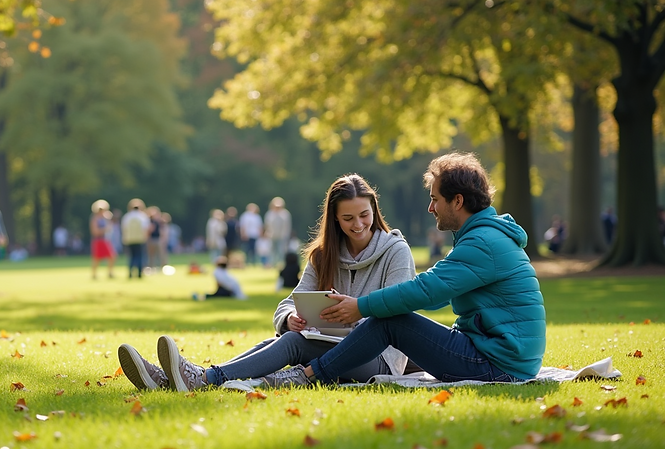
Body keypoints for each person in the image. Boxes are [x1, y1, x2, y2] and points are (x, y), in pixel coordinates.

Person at [195, 152, 544, 389]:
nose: (430, 207)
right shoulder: (481, 239)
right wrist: (292, 317)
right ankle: (205, 375)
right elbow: (436, 297)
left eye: (435, 199)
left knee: (390, 319)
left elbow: (426, 292)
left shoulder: (483, 243)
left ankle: (304, 375)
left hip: (499, 364)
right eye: (348, 218)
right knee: (287, 339)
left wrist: (359, 307)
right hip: (490, 352)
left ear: (458, 201)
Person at [117, 173, 417, 390]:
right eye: (348, 218)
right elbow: (291, 301)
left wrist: (354, 313)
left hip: (378, 357)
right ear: (335, 220)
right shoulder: (323, 255)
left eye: (364, 215)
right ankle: (175, 380)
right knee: (279, 339)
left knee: (294, 343)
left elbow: (396, 312)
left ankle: (203, 378)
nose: (358, 224)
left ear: (374, 211)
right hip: (330, 345)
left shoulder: (396, 251)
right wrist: (290, 318)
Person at [121, 198, 150, 279]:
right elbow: (145, 229)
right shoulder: (142, 216)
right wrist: (146, 238)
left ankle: (130, 272)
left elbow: (124, 228)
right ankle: (139, 273)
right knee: (139, 256)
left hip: (129, 239)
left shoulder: (127, 216)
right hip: (140, 239)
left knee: (131, 256)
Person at [90, 199, 116, 279]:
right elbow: (95, 232)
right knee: (97, 258)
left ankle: (110, 272)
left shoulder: (105, 218)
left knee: (112, 256)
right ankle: (94, 274)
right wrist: (105, 229)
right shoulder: (95, 219)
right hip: (99, 240)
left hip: (105, 240)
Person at [264, 197, 292, 267]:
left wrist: (286, 235)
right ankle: (271, 263)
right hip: (272, 235)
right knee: (271, 250)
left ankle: (281, 264)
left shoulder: (285, 214)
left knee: (281, 250)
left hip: (282, 236)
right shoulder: (270, 214)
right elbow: (267, 225)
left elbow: (287, 226)